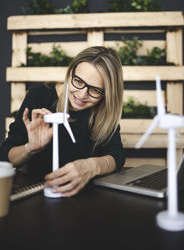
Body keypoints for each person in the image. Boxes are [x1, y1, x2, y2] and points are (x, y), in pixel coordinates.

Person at [0, 46, 125, 197]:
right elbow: (6, 156)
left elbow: (117, 155)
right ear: (71, 72)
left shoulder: (103, 111)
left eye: (95, 90)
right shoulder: (40, 95)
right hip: (37, 195)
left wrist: (93, 166)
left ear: (107, 93)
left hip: (86, 198)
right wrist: (30, 148)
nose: (82, 94)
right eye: (78, 81)